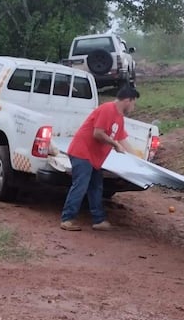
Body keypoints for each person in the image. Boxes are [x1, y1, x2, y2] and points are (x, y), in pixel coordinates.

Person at [60, 85, 140, 231]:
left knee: (96, 187)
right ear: (128, 100)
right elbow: (98, 133)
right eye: (134, 103)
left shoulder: (119, 118)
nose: (133, 107)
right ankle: (67, 219)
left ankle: (99, 220)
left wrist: (138, 161)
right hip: (82, 152)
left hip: (94, 158)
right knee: (81, 185)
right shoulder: (107, 109)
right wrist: (114, 143)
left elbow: (122, 139)